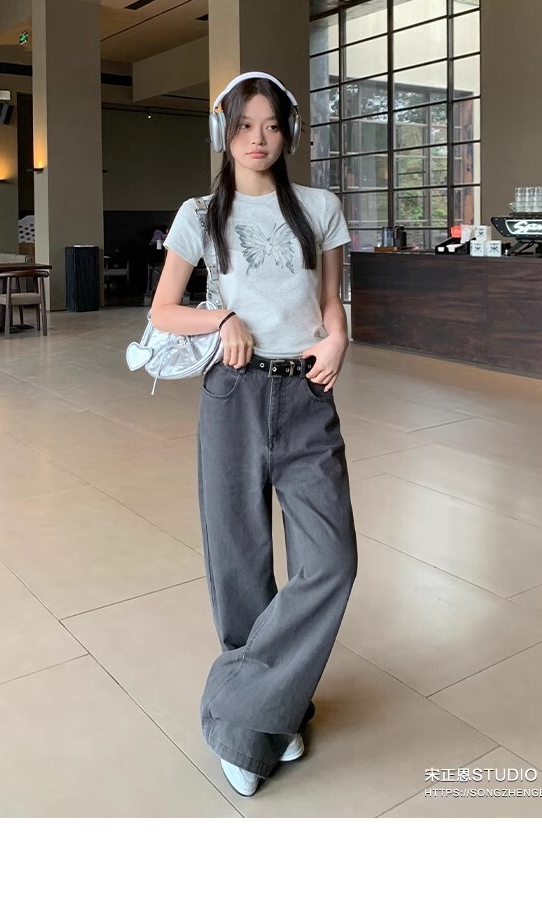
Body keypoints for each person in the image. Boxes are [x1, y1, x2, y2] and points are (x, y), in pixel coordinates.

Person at [150, 72, 358, 797]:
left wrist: (338, 339)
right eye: (244, 125)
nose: (258, 138)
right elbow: (164, 310)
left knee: (331, 561)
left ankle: (240, 710)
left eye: (271, 125)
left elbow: (331, 301)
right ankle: (268, 718)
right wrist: (222, 318)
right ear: (224, 132)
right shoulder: (200, 214)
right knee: (238, 560)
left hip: (306, 395)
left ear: (288, 131)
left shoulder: (320, 209)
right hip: (233, 393)